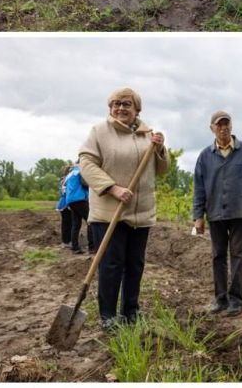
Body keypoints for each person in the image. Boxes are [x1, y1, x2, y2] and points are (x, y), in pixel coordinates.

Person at [79, 87, 168, 331]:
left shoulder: (146, 134)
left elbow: (161, 170)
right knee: (111, 265)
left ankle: (130, 312)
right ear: (110, 108)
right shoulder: (100, 132)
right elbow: (85, 163)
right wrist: (112, 188)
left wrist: (160, 149)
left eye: (126, 104)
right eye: (116, 104)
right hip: (110, 213)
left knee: (135, 264)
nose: (121, 108)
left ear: (137, 109)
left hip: (140, 212)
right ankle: (108, 315)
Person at [192, 111, 242, 317]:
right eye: (219, 124)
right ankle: (220, 298)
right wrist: (198, 216)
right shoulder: (205, 156)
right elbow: (199, 188)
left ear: (231, 126)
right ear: (212, 128)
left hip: (240, 211)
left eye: (227, 124)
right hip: (215, 213)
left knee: (239, 256)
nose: (223, 128)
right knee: (218, 256)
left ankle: (236, 299)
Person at [64, 163, 94, 255]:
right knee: (91, 221)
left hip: (70, 200)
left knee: (76, 225)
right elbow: (85, 184)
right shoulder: (81, 171)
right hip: (79, 199)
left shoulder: (69, 174)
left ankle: (75, 247)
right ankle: (92, 247)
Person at [57, 164, 73, 249]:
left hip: (62, 202)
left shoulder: (62, 180)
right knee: (68, 223)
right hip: (67, 203)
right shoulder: (68, 179)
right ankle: (67, 241)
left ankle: (65, 241)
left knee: (66, 223)